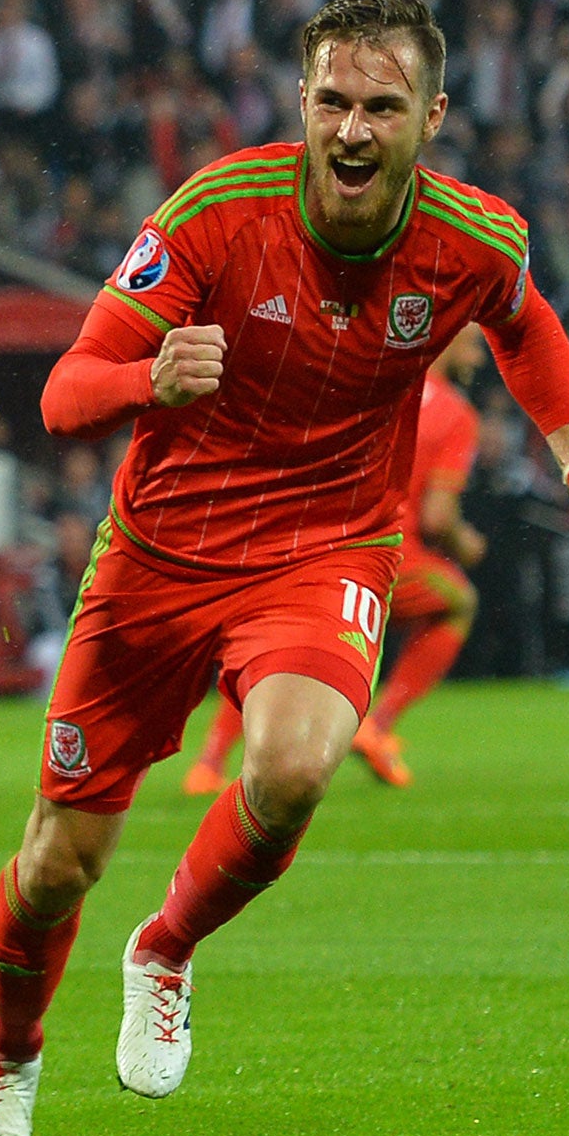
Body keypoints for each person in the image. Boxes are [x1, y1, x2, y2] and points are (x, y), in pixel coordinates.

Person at [0, 0, 569, 1136]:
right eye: (331, 100)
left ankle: (164, 949)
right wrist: (148, 380)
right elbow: (64, 390)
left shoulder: (476, 241)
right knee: (54, 864)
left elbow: (527, 330)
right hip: (156, 559)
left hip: (325, 547)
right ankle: (5, 1053)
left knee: (291, 770)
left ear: (429, 116)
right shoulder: (214, 213)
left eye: (381, 106)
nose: (353, 130)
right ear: (301, 104)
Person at [183, 324, 493, 794]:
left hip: (310, 543)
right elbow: (436, 517)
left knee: (271, 644)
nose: (479, 359)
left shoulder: (370, 385)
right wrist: (467, 543)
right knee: (459, 602)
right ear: (448, 341)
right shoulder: (455, 414)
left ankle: (208, 764)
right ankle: (379, 725)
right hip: (387, 556)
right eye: (473, 345)